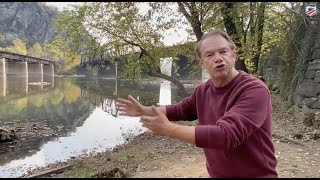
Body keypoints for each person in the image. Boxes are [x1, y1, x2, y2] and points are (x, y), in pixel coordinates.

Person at [116, 29, 278, 178]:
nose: (218, 58)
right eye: (209, 55)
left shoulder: (254, 89)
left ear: (233, 55)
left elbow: (227, 135)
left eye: (223, 51)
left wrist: (169, 129)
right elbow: (181, 110)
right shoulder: (203, 90)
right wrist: (143, 110)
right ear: (201, 63)